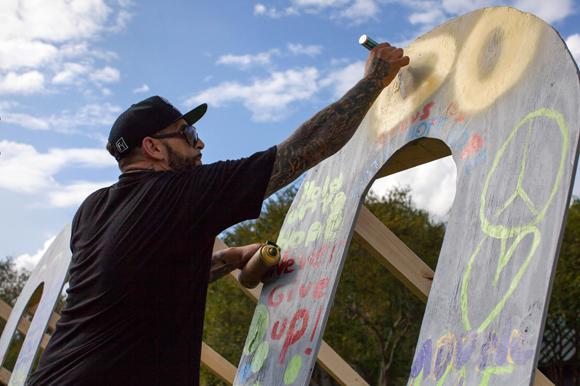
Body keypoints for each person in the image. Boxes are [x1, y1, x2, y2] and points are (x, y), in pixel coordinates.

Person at [28, 43, 409, 386]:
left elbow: (144, 280)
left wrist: (229, 257)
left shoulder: (91, 209)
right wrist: (375, 80)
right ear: (154, 148)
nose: (200, 144)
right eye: (188, 134)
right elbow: (307, 147)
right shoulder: (178, 194)